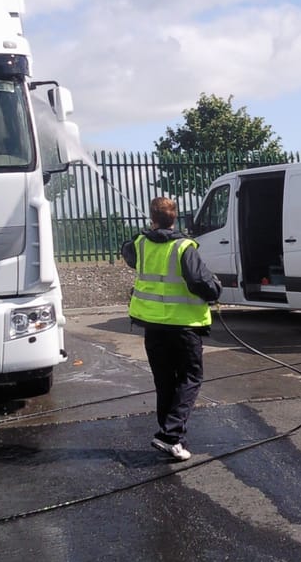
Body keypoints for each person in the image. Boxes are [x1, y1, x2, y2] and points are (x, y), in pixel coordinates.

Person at [122, 196, 222, 461]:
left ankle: (172, 438)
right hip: (183, 326)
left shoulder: (140, 243)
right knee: (190, 378)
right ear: (175, 217)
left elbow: (127, 253)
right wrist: (215, 289)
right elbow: (201, 282)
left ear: (153, 218)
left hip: (153, 325)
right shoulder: (183, 247)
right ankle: (170, 434)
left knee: (165, 381)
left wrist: (145, 232)